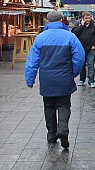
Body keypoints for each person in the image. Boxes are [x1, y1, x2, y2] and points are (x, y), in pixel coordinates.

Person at [25, 10, 85, 148]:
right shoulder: (70, 37)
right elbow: (79, 57)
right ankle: (63, 129)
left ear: (47, 21)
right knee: (64, 105)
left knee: (49, 106)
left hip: (47, 79)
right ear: (61, 20)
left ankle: (52, 134)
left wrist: (30, 79)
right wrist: (73, 72)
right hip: (64, 77)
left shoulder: (40, 38)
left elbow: (32, 61)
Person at [71, 11, 95, 88]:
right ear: (82, 18)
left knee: (91, 65)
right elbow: (74, 33)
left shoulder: (94, 26)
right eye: (86, 18)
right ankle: (82, 79)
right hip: (81, 48)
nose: (88, 19)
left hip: (91, 48)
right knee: (82, 65)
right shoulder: (78, 25)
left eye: (89, 18)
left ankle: (91, 81)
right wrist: (81, 26)